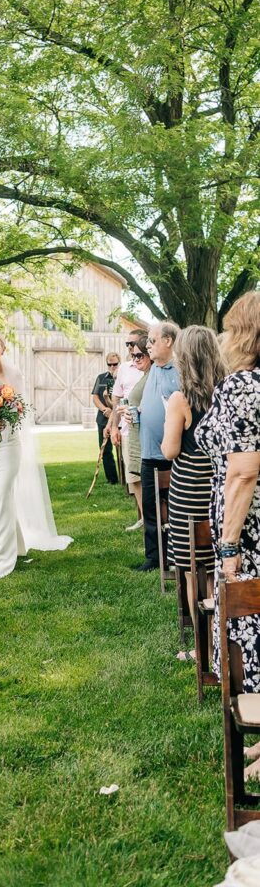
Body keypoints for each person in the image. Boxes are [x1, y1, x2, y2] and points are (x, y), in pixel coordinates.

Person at [196, 292, 260, 748]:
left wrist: (230, 548)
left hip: (251, 531)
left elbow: (242, 471)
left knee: (252, 627)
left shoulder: (243, 386)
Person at [0, 331, 72, 579]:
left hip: (6, 444)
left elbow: (22, 410)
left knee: (1, 493)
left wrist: (6, 421)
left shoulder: (13, 375)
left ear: (3, 349)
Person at [161, 325, 226, 659]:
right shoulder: (227, 394)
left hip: (188, 493)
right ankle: (223, 644)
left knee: (190, 573)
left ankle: (203, 650)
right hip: (220, 490)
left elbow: (170, 450)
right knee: (218, 569)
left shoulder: (180, 399)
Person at [137, 320, 180, 571]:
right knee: (150, 507)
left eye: (152, 340)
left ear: (168, 341)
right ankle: (154, 557)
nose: (147, 345)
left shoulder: (180, 371)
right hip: (148, 451)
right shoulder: (153, 369)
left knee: (173, 508)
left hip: (171, 454)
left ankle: (175, 555)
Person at [109, 331, 147, 529]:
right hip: (127, 429)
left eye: (133, 344)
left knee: (149, 474)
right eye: (128, 345)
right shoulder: (124, 368)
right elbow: (116, 398)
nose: (131, 349)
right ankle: (144, 517)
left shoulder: (150, 364)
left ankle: (156, 518)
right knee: (134, 478)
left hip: (148, 429)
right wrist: (114, 425)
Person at [123, 336, 152, 501]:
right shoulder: (145, 375)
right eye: (133, 356)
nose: (135, 360)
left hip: (147, 442)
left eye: (139, 355)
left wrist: (138, 411)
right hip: (137, 437)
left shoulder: (152, 375)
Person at [91, 352, 119, 485]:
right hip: (103, 418)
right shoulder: (101, 378)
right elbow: (95, 397)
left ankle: (127, 479)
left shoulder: (122, 378)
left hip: (119, 418)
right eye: (110, 364)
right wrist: (104, 409)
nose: (112, 367)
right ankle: (112, 479)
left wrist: (112, 409)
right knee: (105, 450)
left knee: (122, 451)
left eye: (115, 364)